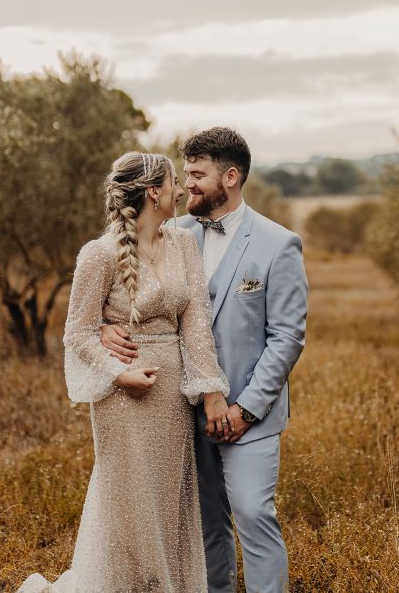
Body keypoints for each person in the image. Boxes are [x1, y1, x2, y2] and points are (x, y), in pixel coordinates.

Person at [102, 128, 308, 593]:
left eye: (197, 175)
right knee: (204, 526)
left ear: (230, 177)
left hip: (250, 414)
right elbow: (114, 284)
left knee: (254, 514)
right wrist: (102, 327)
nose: (187, 185)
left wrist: (245, 409)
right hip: (180, 410)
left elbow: (287, 338)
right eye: (185, 174)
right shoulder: (173, 235)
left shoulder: (279, 245)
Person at [18, 151, 232, 593]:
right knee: (128, 504)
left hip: (172, 399)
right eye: (173, 182)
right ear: (153, 191)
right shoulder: (99, 254)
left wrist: (210, 387)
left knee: (167, 503)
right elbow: (78, 333)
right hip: (124, 402)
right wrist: (119, 373)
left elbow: (196, 324)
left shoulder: (184, 245)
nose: (180, 190)